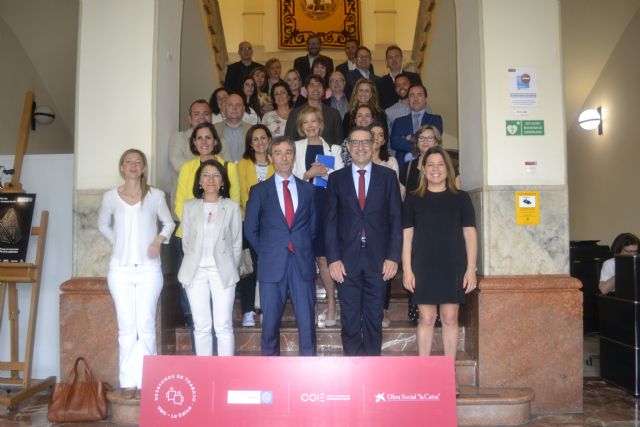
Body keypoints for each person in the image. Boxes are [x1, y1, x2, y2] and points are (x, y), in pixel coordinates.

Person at [98, 149, 175, 395]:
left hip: (149, 271)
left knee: (146, 325)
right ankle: (128, 381)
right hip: (120, 271)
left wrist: (158, 240)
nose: (133, 165)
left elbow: (170, 222)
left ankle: (148, 380)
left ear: (143, 168)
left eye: (138, 162)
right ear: (122, 167)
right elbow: (102, 224)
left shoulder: (155, 195)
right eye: (128, 162)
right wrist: (119, 241)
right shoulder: (111, 196)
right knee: (127, 327)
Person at [325, 126, 403, 356]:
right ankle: (353, 371)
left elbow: (396, 220)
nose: (361, 147)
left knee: (373, 319)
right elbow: (329, 223)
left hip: (379, 261)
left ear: (374, 145)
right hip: (346, 262)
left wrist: (393, 257)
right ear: (348, 146)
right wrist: (333, 259)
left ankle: (371, 372)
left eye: (366, 142)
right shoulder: (336, 179)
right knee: (349, 321)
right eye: (355, 142)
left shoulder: (388, 177)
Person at [402, 146, 477, 361]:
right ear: (423, 170)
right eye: (430, 164)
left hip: (453, 265)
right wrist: (407, 270)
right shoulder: (413, 199)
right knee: (426, 318)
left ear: (448, 169)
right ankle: (425, 373)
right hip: (423, 266)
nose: (436, 169)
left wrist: (471, 268)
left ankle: (447, 376)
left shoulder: (461, 198)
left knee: (450, 317)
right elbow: (406, 237)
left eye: (441, 164)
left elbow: (470, 234)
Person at [244, 136, 318, 356]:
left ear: (294, 156)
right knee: (269, 328)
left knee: (307, 326)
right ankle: (270, 375)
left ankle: (309, 376)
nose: (284, 157)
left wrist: (301, 247)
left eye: (288, 152)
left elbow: (313, 228)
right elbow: (250, 229)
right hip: (271, 265)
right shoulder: (258, 191)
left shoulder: (308, 190)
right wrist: (267, 252)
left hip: (301, 265)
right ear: (270, 158)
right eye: (278, 153)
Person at [178, 159, 242, 356]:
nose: (211, 180)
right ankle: (205, 374)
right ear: (199, 181)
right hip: (195, 272)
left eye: (216, 175)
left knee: (223, 325)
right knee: (201, 325)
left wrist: (231, 267)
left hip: (222, 271)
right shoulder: (190, 207)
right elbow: (186, 241)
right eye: (206, 175)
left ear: (223, 181)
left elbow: (236, 243)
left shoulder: (231, 207)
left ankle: (225, 373)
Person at [292, 106, 344, 328]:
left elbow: (341, 178)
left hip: (325, 206)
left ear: (320, 124)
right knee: (303, 258)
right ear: (301, 127)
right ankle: (306, 307)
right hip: (302, 206)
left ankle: (332, 303)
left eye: (314, 121)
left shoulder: (333, 149)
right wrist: (308, 174)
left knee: (323, 257)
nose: (311, 125)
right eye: (306, 122)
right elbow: (287, 176)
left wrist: (326, 173)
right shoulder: (294, 147)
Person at [237, 124, 275, 326]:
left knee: (269, 268)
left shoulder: (276, 161)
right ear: (250, 144)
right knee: (249, 268)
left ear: (269, 139)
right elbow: (242, 194)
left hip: (272, 225)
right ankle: (248, 310)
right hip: (248, 223)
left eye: (263, 138)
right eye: (255, 139)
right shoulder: (241, 165)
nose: (260, 142)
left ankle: (268, 308)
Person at [175, 122, 240, 232]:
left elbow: (235, 202)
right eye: (199, 138)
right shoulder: (186, 168)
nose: (204, 142)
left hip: (220, 233)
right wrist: (196, 227)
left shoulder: (229, 168)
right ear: (194, 142)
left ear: (215, 141)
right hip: (190, 232)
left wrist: (215, 228)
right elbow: (180, 203)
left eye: (208, 137)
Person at [371, 122, 399, 328]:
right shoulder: (354, 164)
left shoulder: (391, 163)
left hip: (385, 222)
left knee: (386, 266)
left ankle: (384, 308)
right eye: (373, 135)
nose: (377, 139)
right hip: (363, 227)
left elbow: (396, 195)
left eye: (381, 135)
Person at [391, 83, 443, 169]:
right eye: (412, 95)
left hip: (429, 166)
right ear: (408, 100)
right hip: (403, 166)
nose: (415, 98)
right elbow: (395, 143)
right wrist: (422, 144)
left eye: (419, 95)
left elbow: (435, 139)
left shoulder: (435, 119)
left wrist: (409, 138)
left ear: (426, 99)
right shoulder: (399, 121)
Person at [285, 74, 343, 146]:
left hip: (328, 155)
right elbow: (288, 141)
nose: (316, 88)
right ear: (306, 90)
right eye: (312, 85)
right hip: (302, 155)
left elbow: (339, 141)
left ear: (323, 90)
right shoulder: (295, 113)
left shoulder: (334, 114)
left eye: (319, 85)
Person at [400, 124, 461, 193]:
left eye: (430, 138)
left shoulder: (447, 165)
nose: (425, 141)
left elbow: (457, 194)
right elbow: (401, 196)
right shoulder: (408, 166)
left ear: (436, 142)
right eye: (421, 138)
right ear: (416, 143)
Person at [168, 99, 211, 193]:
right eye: (196, 114)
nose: (202, 117)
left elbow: (226, 169)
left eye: (206, 113)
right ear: (190, 119)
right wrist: (212, 172)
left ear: (211, 118)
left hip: (215, 200)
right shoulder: (178, 138)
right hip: (184, 198)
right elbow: (180, 167)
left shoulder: (221, 142)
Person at [376, 45, 422, 109]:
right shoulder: (379, 83)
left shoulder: (414, 77)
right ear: (386, 61)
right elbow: (379, 106)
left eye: (396, 56)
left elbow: (421, 99)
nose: (394, 60)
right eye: (390, 57)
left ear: (401, 58)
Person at [214, 93, 253, 163]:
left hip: (246, 172)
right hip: (222, 172)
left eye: (238, 105)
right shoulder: (214, 129)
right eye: (230, 105)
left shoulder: (253, 130)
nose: (234, 108)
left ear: (244, 109)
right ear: (225, 108)